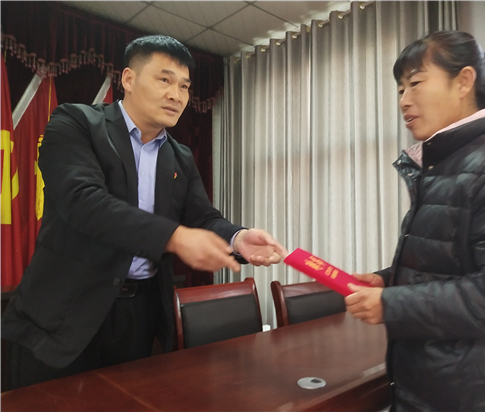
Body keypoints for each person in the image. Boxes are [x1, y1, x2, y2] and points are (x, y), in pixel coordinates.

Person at [2, 34, 287, 389]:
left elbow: (202, 217)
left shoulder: (180, 156)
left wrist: (238, 237)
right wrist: (174, 237)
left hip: (139, 314)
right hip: (64, 311)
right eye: (164, 80)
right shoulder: (76, 123)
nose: (176, 95)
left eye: (184, 86)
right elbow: (84, 202)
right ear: (128, 79)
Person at [345, 31, 485, 411]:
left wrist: (393, 304)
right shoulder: (448, 164)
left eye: (416, 83)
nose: (404, 100)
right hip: (442, 386)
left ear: (463, 81)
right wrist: (389, 280)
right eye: (400, 89)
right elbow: (452, 262)